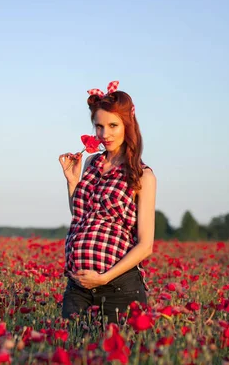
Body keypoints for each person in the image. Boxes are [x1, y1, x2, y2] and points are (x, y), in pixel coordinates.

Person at [58, 81, 156, 326]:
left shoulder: (142, 175)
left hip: (118, 289)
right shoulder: (92, 162)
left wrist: (103, 278)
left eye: (113, 125)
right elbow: (82, 216)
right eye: (99, 126)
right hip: (78, 287)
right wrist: (72, 182)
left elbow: (145, 246)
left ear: (128, 125)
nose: (105, 134)